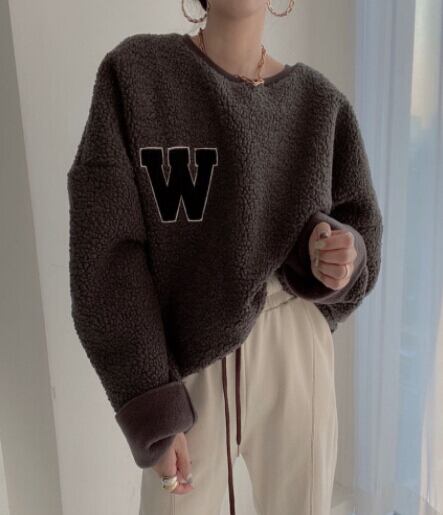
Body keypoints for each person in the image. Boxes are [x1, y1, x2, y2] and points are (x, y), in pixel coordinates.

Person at [67, 0, 383, 513]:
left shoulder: (320, 104)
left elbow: (360, 227)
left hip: (295, 343)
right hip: (187, 359)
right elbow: (106, 255)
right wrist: (150, 400)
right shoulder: (137, 76)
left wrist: (338, 256)